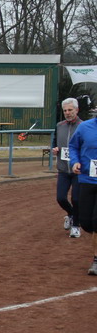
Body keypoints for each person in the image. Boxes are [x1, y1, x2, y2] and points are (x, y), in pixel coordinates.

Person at [69, 111, 97, 274]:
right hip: (87, 180)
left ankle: (96, 260)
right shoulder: (84, 127)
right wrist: (75, 162)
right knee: (86, 223)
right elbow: (73, 146)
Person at [53, 98, 83, 238]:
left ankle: (76, 226)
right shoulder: (59, 126)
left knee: (76, 199)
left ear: (77, 110)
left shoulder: (83, 126)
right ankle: (71, 214)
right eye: (65, 110)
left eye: (70, 110)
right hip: (63, 169)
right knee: (60, 198)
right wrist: (54, 148)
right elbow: (54, 141)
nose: (67, 113)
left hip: (78, 170)